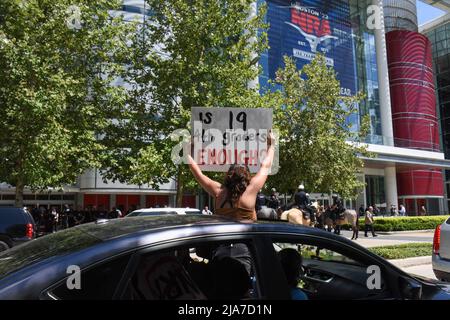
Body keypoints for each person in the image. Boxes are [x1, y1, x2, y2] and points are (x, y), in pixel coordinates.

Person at [187, 131, 275, 222]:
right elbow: (266, 165)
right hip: (248, 236)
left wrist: (188, 153)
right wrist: (272, 146)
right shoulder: (251, 189)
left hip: (223, 235)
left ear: (228, 175)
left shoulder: (218, 191)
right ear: (248, 176)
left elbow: (198, 173)